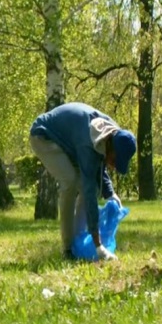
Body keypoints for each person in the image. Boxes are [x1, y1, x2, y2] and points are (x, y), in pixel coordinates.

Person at [29, 103, 136, 262]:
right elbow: (89, 183)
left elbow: (99, 166)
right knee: (70, 182)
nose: (113, 166)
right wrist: (98, 244)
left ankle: (77, 244)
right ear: (111, 147)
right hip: (43, 136)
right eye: (115, 160)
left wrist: (111, 194)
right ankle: (68, 249)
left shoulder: (113, 136)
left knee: (92, 190)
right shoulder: (89, 141)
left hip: (67, 143)